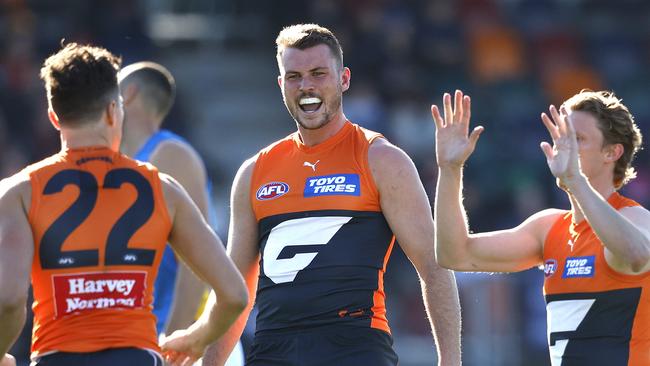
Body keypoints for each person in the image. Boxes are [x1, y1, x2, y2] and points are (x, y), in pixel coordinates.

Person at [167, 23, 462, 366]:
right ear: (281, 85)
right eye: (294, 77)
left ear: (344, 79)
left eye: (318, 73)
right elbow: (236, 292)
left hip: (355, 349)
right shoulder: (254, 172)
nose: (306, 86)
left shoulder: (382, 159)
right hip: (273, 351)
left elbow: (434, 267)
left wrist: (450, 361)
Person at [0, 42, 248, 366]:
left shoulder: (19, 191)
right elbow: (234, 294)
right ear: (113, 111)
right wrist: (197, 337)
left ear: (53, 117)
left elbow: (8, 299)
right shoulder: (162, 188)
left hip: (57, 356)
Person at [432, 89, 650, 365]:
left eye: (576, 139)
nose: (563, 146)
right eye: (560, 137)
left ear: (612, 152)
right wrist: (450, 169)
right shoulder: (548, 228)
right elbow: (455, 254)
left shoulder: (635, 217)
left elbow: (637, 255)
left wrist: (576, 180)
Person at [118, 61, 245, 365]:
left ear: (130, 94)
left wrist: (174, 342)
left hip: (186, 344)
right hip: (150, 341)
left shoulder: (170, 155)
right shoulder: (124, 163)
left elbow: (196, 264)